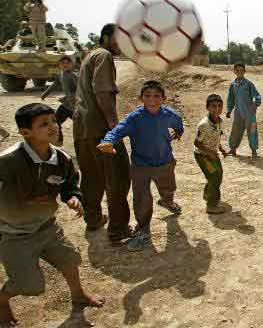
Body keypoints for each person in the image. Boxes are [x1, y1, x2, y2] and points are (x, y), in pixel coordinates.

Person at [0, 103, 104, 327]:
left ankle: (78, 295)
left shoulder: (61, 159)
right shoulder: (7, 162)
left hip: (47, 226)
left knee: (69, 260)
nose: (53, 127)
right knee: (30, 286)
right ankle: (1, 300)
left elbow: (69, 185)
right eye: (43, 124)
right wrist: (23, 200)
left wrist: (72, 197)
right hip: (14, 234)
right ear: (25, 132)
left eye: (54, 121)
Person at [97, 80, 184, 252]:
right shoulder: (134, 118)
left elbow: (178, 123)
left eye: (157, 96)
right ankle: (143, 231)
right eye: (147, 96)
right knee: (142, 200)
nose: (152, 99)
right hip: (140, 167)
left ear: (164, 98)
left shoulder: (169, 114)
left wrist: (178, 132)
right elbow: (118, 130)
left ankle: (167, 201)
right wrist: (108, 141)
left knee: (168, 188)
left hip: (165, 163)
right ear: (141, 98)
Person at [72, 23, 132, 244]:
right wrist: (114, 128)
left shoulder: (90, 55)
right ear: (106, 38)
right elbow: (102, 92)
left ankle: (94, 218)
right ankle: (118, 230)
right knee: (118, 176)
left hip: (81, 128)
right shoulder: (104, 55)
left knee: (91, 177)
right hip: (100, 130)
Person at [194, 94, 228, 214]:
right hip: (202, 155)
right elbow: (197, 143)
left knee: (218, 175)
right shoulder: (204, 124)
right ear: (207, 107)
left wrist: (221, 149)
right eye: (213, 106)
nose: (217, 109)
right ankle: (211, 205)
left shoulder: (218, 121)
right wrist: (210, 153)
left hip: (213, 153)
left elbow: (216, 137)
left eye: (219, 106)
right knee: (214, 176)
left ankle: (208, 194)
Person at [226, 62, 262, 158]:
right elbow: (231, 98)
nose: (239, 72)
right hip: (238, 113)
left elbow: (257, 96)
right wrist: (229, 110)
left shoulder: (249, 84)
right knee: (236, 131)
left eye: (242, 70)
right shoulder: (233, 85)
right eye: (237, 70)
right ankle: (233, 149)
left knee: (252, 132)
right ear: (234, 71)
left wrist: (255, 104)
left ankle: (254, 151)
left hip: (250, 114)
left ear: (245, 71)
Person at [41, 55, 78, 146]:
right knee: (56, 121)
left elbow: (80, 89)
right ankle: (58, 141)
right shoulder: (60, 75)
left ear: (71, 65)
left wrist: (75, 101)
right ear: (59, 65)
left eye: (67, 63)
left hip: (75, 106)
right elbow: (54, 84)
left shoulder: (73, 76)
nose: (65, 64)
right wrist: (45, 94)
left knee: (81, 126)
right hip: (66, 105)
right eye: (62, 63)